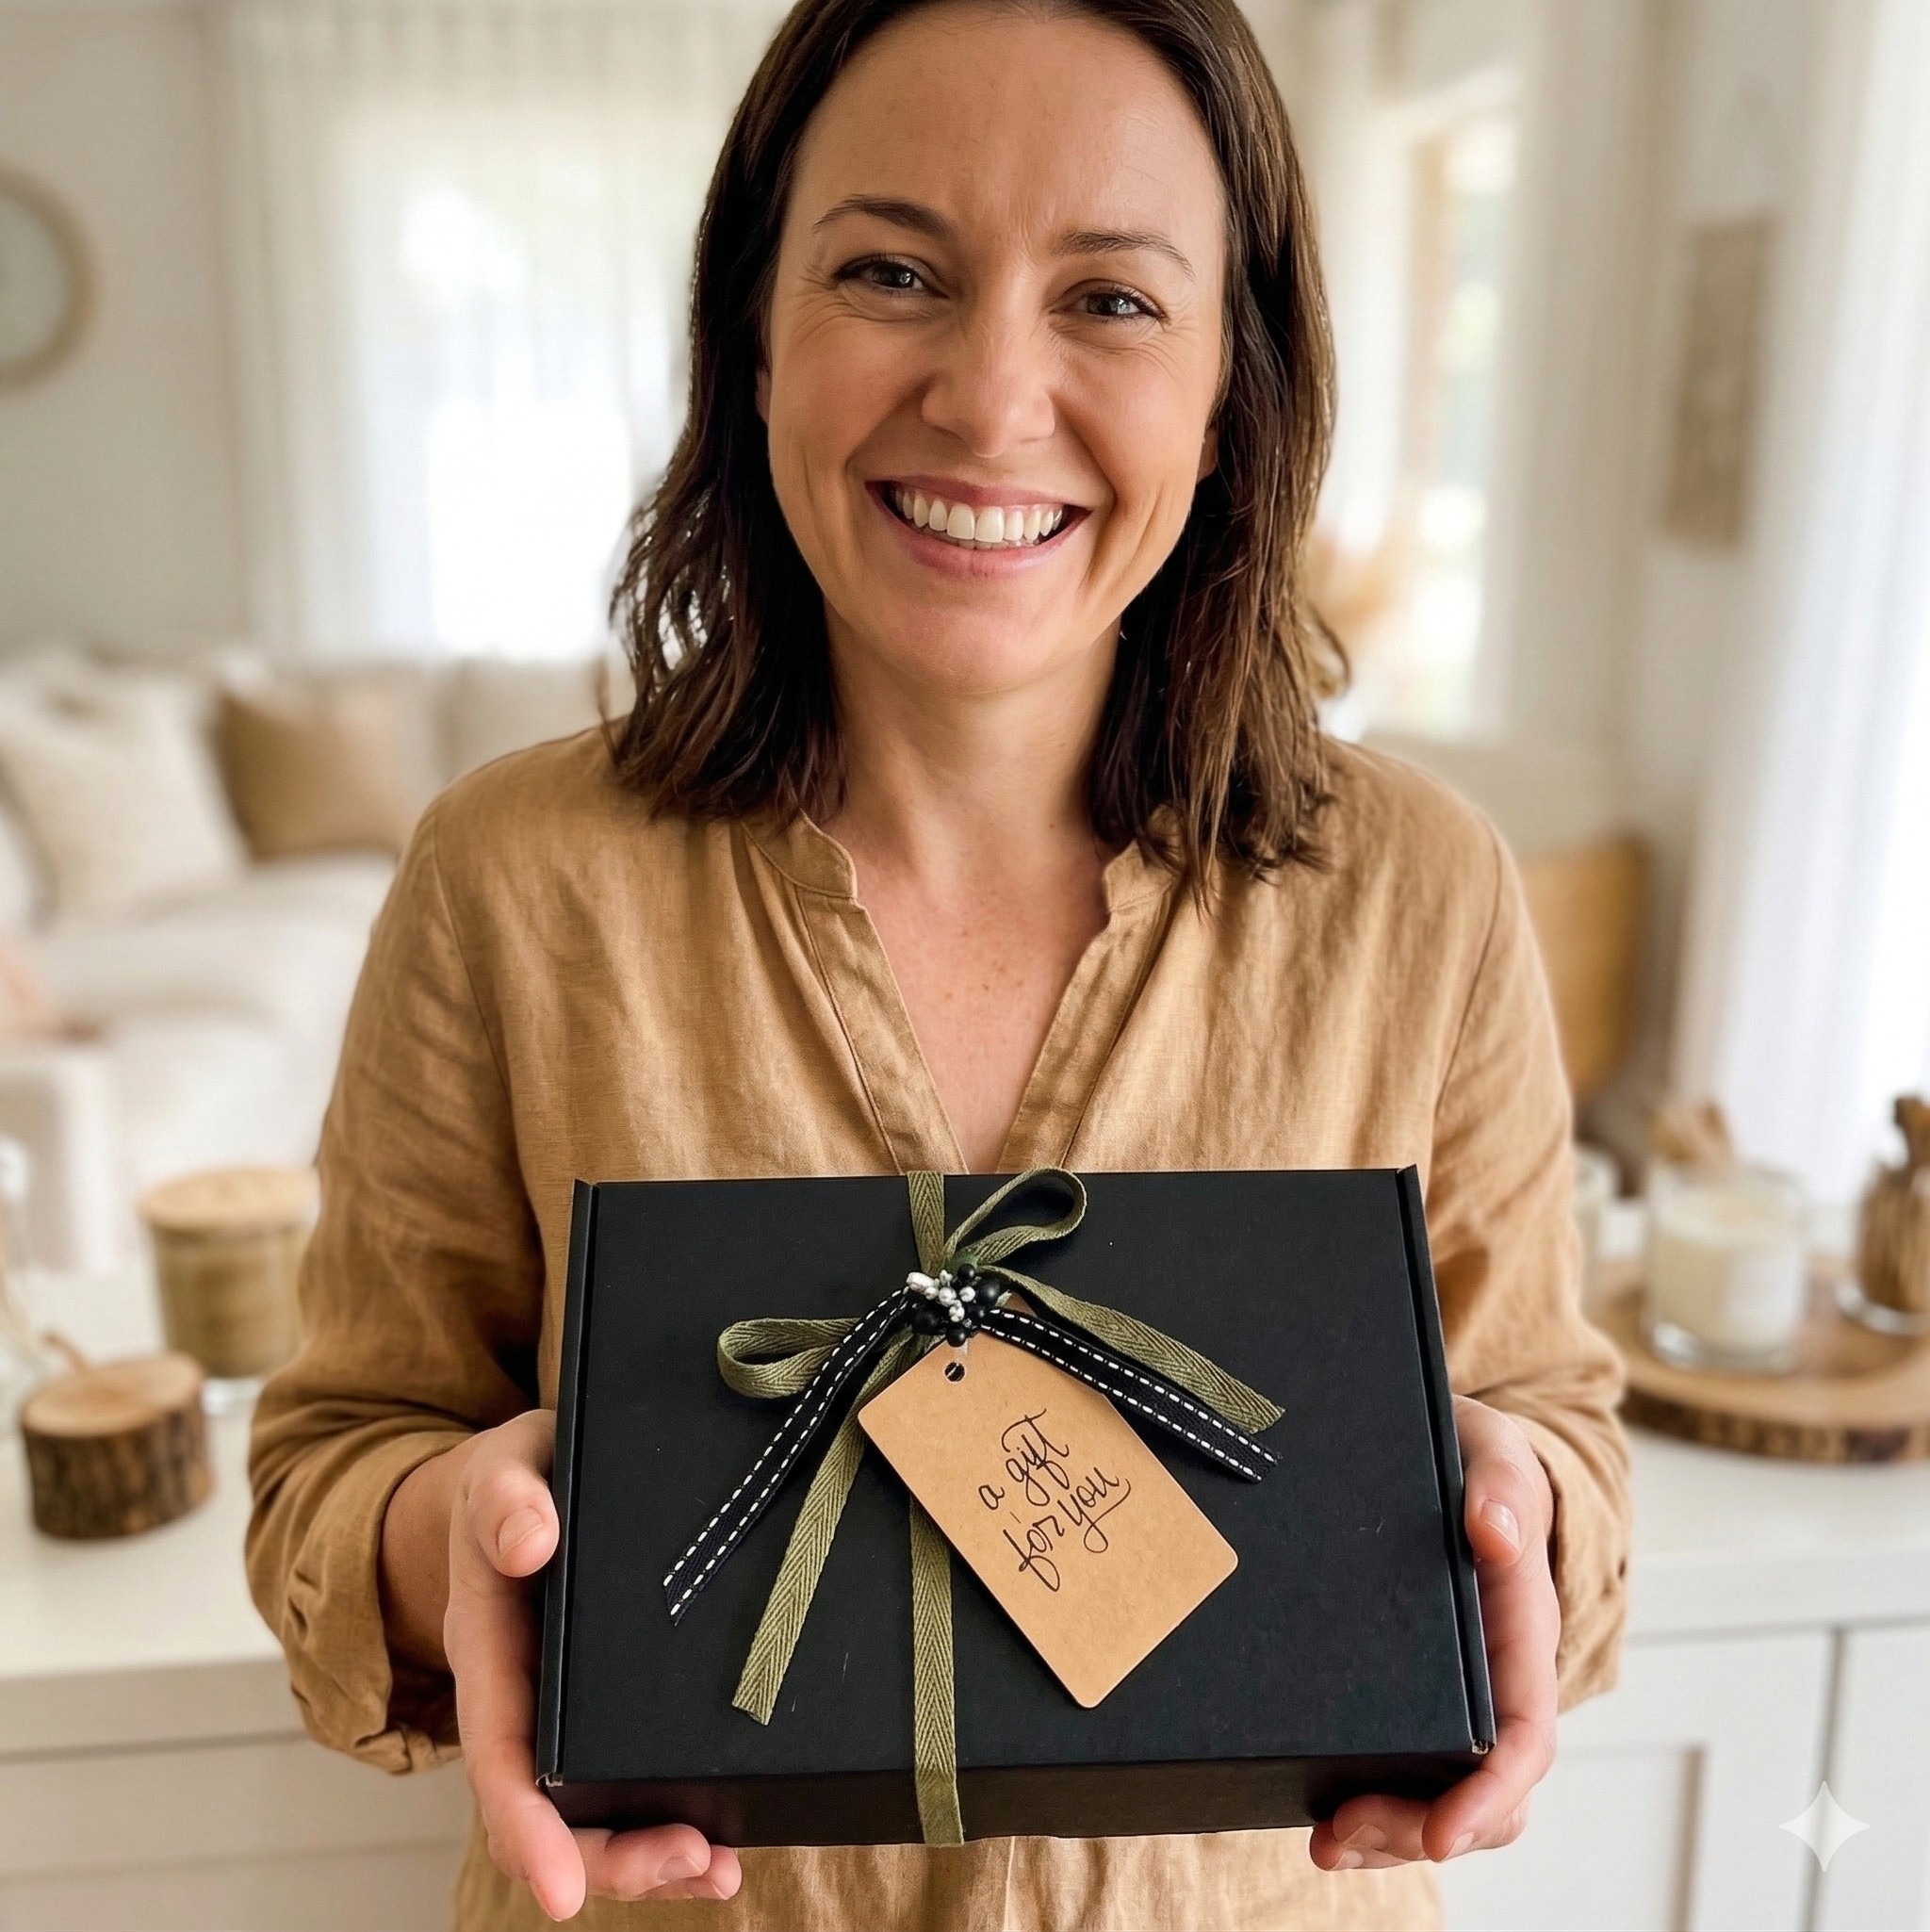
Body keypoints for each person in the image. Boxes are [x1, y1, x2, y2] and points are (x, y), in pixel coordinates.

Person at [246, 1, 1630, 1926]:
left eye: (1112, 301)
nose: (989, 401)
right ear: (749, 332)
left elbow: (1563, 1423)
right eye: (891, 271)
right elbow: (334, 1454)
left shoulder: (1428, 894)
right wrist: (439, 1539)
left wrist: (1508, 1503)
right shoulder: (504, 882)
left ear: (1238, 380)